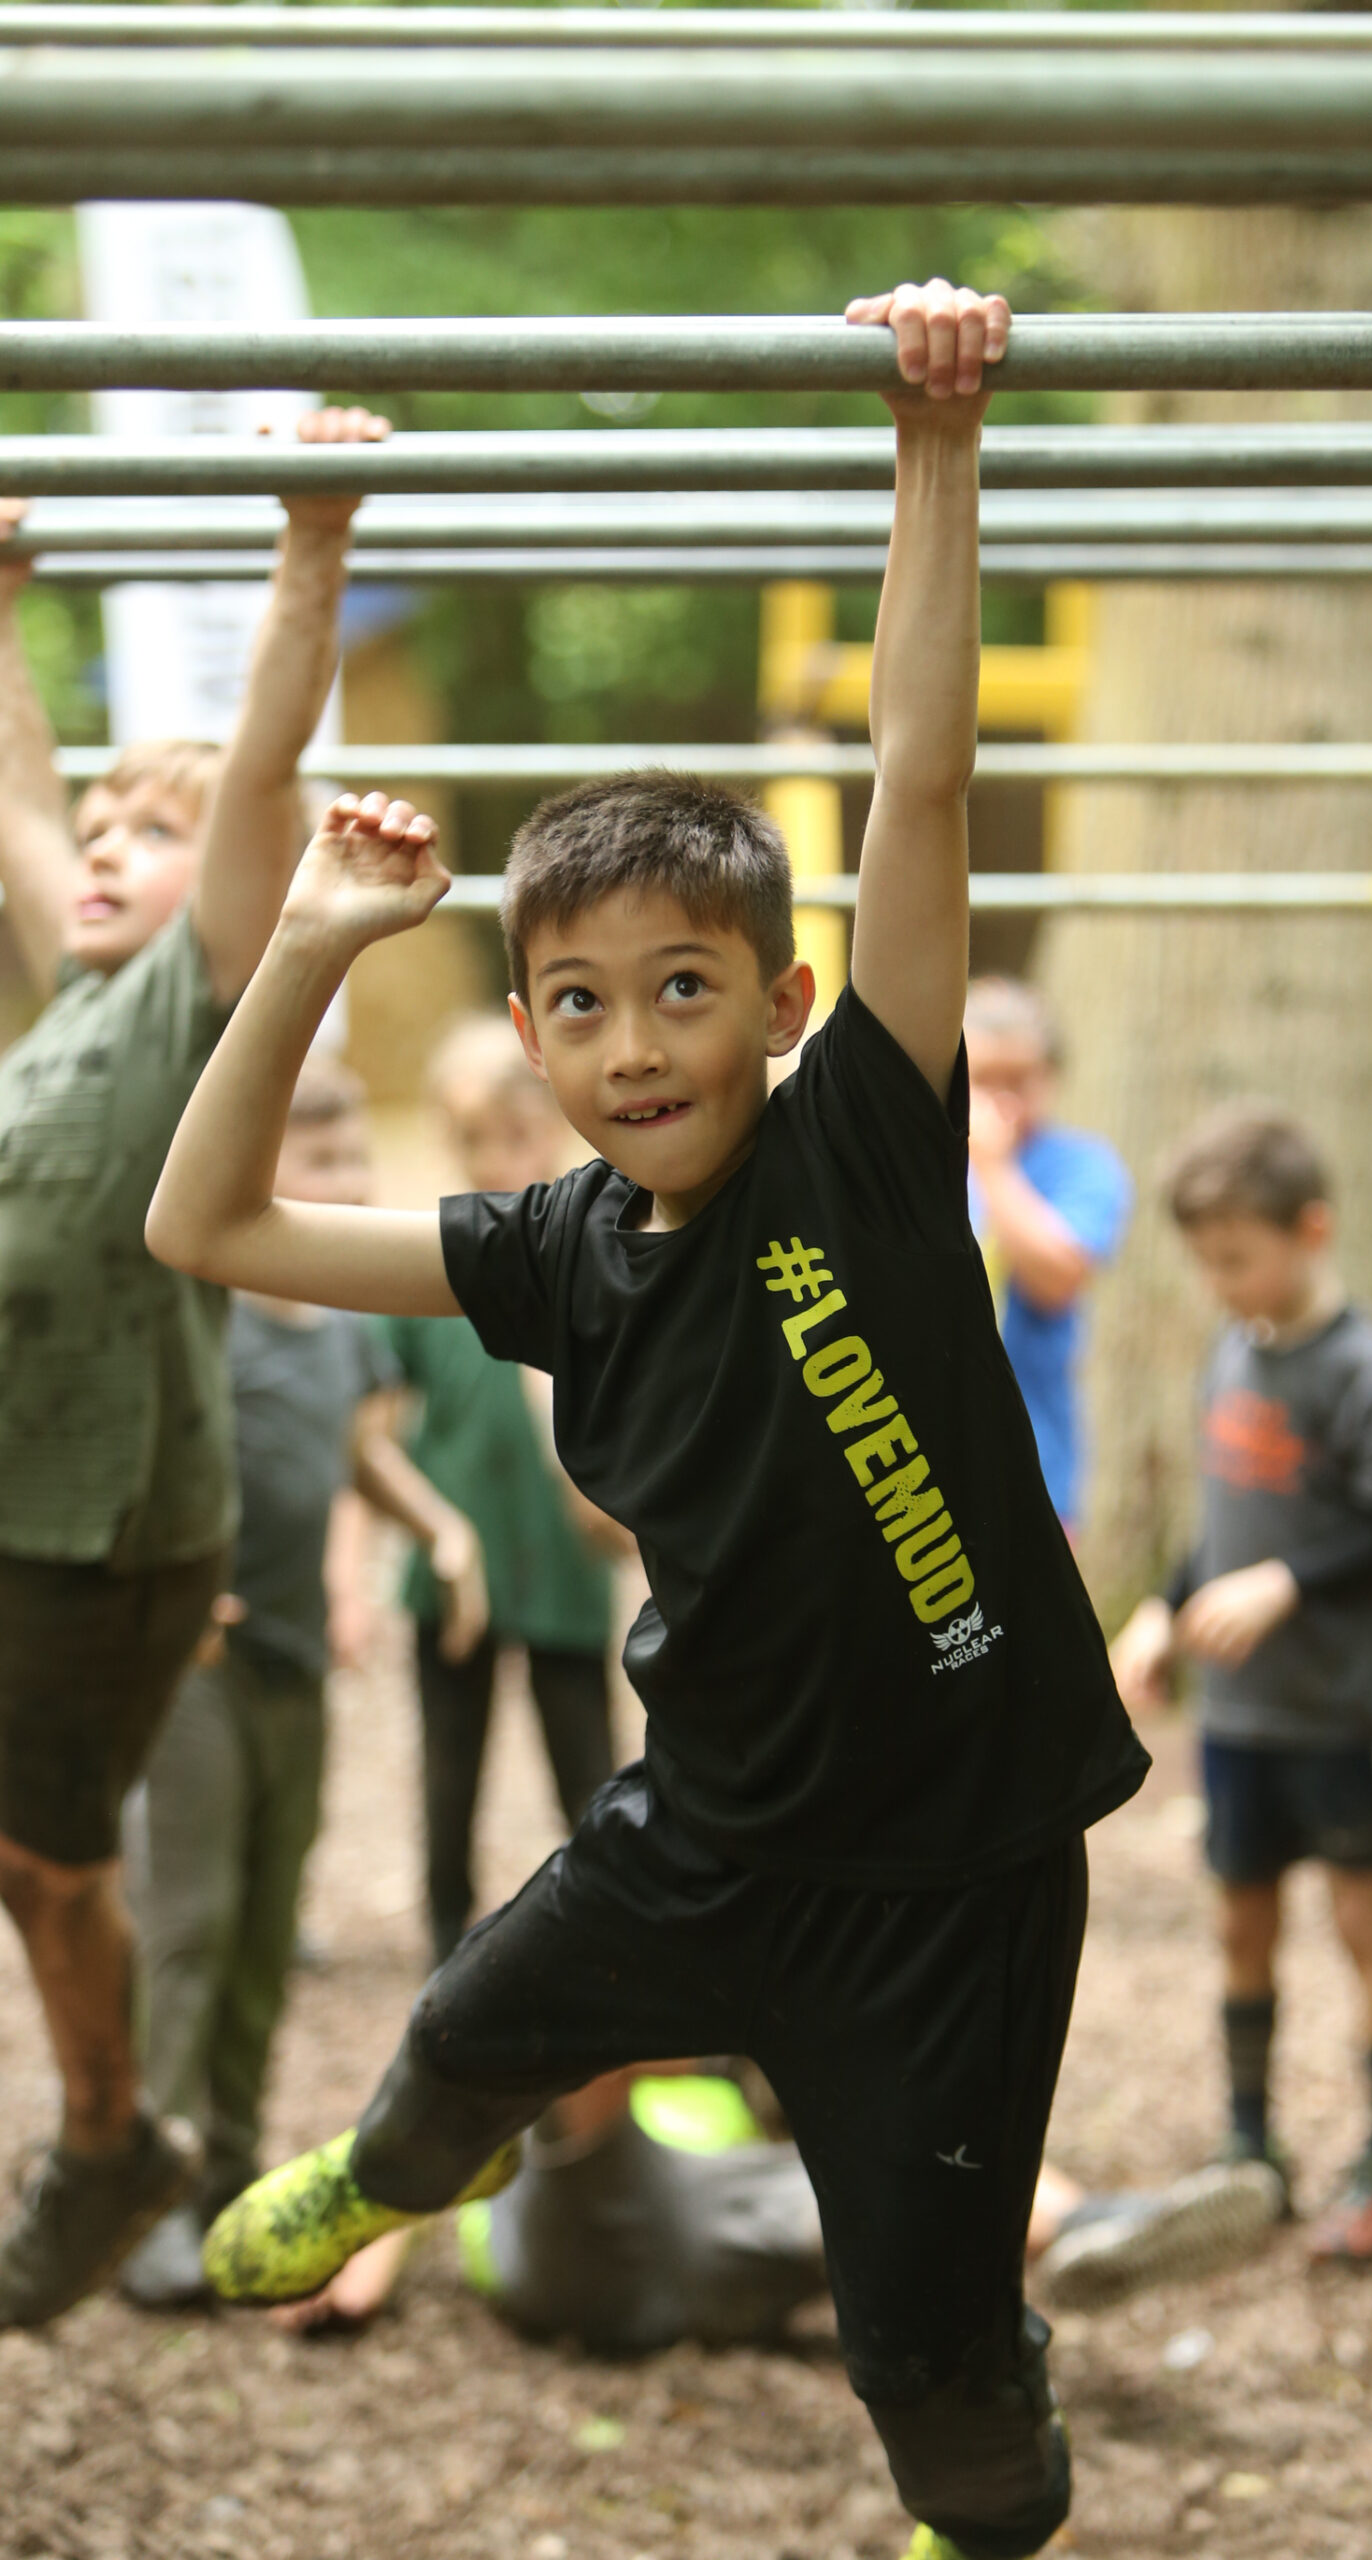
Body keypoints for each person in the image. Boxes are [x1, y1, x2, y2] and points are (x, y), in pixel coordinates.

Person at [146, 279, 1150, 2560]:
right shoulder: (550, 1244)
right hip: (699, 1829)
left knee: (934, 2389)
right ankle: (391, 2179)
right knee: (446, 2058)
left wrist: (932, 439)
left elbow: (918, 774)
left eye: (682, 989)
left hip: (959, 1871)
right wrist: (310, 940)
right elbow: (207, 1224)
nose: (630, 1044)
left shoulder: (862, 1135)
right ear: (530, 1030)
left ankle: (990, 2448)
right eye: (580, 1002)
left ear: (781, 1001)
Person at [0, 409, 389, 2327]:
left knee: (49, 1860)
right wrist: (2, 602)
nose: (100, 852)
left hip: (106, 1530)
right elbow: (21, 798)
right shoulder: (67, 1009)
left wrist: (310, 538)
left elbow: (256, 779)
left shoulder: (193, 996)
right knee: (38, 1858)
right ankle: (106, 2138)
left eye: (143, 839)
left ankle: (110, 2140)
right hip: (27, 1503)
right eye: (97, 835)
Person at [117, 1055, 489, 2309]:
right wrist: (169, 1589)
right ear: (265, 1174)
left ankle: (225, 2164)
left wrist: (439, 1527)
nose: (350, 1181)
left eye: (356, 1159)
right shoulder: (205, 1316)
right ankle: (144, 2191)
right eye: (321, 1163)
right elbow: (140, 1459)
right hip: (198, 1670)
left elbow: (354, 1456)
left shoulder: (342, 1330)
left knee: (269, 1924)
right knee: (192, 1921)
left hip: (292, 1669)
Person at [1109, 1105, 1372, 2263]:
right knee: (1239, 1921)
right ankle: (1248, 2146)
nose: (1220, 1282)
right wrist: (1163, 1609)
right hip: (1238, 1717)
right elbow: (1219, 1525)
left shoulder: (1362, 1368)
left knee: (1358, 1920)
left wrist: (1284, 1585)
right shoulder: (1230, 1351)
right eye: (1204, 1261)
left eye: (1236, 1258)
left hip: (1335, 1708)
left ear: (1310, 1230)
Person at [272, 2069, 1285, 2346]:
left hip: (701, 2229)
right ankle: (1075, 2224)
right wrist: (359, 2262)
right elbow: (409, 2155)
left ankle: (1087, 2230)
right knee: (561, 2051)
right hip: (593, 2215)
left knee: (883, 2167)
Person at [385, 1012, 617, 1969]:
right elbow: (377, 1425)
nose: (497, 1160)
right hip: (456, 1566)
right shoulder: (427, 1268)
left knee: (588, 1768)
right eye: (474, 1139)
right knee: (450, 1765)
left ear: (551, 1126)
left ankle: (613, 1931)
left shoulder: (595, 1260)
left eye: (516, 1135)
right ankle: (447, 1941)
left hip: (562, 1561)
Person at [963, 976, 1130, 1533]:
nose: (1002, 1101)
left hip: (1033, 1469)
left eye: (1020, 1080)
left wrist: (992, 1166)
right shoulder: (916, 1162)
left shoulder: (1083, 1165)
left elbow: (1057, 1278)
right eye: (983, 1079)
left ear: (1051, 1076)